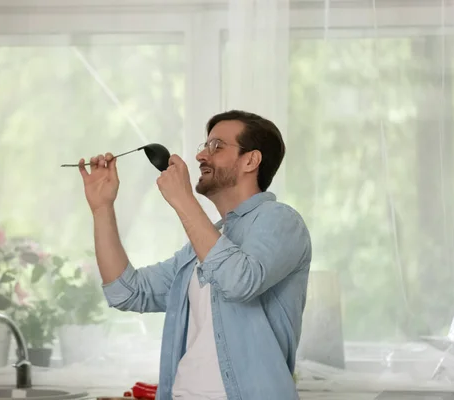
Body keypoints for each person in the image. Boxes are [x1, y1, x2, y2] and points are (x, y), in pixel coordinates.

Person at [78, 110, 311, 400]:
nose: (201, 156)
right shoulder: (202, 245)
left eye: (216, 146)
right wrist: (102, 208)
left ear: (251, 160)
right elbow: (127, 292)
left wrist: (182, 199)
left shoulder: (281, 221)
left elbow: (240, 282)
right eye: (204, 146)